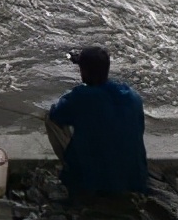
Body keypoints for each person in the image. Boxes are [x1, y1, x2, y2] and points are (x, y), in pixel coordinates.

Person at [46, 46, 148, 199]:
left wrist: (75, 93)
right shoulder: (132, 96)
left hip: (97, 182)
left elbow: (57, 113)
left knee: (50, 118)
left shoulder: (81, 97)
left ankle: (73, 170)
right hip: (135, 179)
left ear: (84, 71)